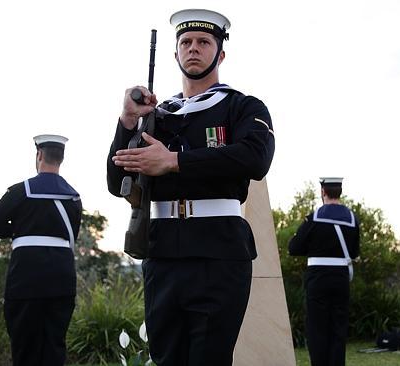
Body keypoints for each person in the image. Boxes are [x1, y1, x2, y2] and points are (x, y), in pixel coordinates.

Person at [107, 9, 275, 366]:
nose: (193, 48)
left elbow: (255, 158)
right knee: (167, 358)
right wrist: (126, 122)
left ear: (221, 53)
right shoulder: (158, 115)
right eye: (185, 42)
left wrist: (173, 161)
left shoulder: (242, 107)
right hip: (163, 251)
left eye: (203, 42)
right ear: (175, 53)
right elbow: (115, 181)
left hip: (219, 252)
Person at [0, 134, 82, 366]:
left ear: (38, 155)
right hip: (62, 281)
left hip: (25, 282)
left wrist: (20, 229)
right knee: (54, 349)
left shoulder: (19, 192)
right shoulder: (74, 197)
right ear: (61, 159)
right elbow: (71, 237)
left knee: (25, 350)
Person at [288, 177, 360, 366]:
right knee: (338, 329)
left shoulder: (315, 217)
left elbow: (294, 248)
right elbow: (354, 252)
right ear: (340, 192)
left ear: (323, 192)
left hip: (318, 277)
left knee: (317, 328)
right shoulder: (352, 219)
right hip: (341, 278)